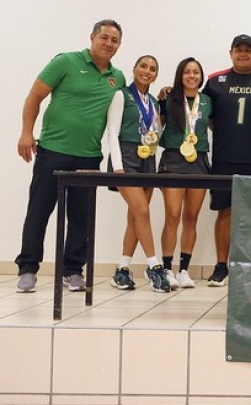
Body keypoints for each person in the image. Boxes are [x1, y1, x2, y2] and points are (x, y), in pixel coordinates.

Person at [15, 19, 125, 293]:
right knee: (39, 211)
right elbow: (34, 97)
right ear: (92, 37)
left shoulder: (117, 77)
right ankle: (27, 269)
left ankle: (73, 271)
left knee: (81, 218)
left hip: (89, 157)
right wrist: (27, 133)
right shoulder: (65, 62)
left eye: (114, 40)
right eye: (104, 37)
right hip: (52, 152)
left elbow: (130, 103)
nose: (109, 43)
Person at [203, 34, 251, 286]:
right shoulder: (214, 82)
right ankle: (221, 266)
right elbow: (203, 114)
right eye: (239, 49)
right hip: (224, 159)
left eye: (249, 50)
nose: (243, 53)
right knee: (224, 212)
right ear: (231, 53)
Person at [105, 55, 170, 292]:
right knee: (142, 211)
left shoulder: (153, 102)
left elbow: (155, 130)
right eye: (143, 66)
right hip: (126, 159)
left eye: (152, 69)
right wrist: (118, 167)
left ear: (156, 75)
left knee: (135, 216)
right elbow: (112, 132)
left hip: (147, 159)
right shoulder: (121, 95)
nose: (147, 71)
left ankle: (122, 270)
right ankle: (155, 266)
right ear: (134, 69)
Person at [158, 57, 212, 291]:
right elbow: (157, 125)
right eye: (187, 72)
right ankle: (166, 269)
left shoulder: (208, 101)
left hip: (198, 160)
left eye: (196, 72)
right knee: (172, 215)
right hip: (173, 159)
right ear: (180, 75)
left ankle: (184, 270)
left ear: (201, 76)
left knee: (191, 217)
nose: (192, 76)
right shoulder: (168, 98)